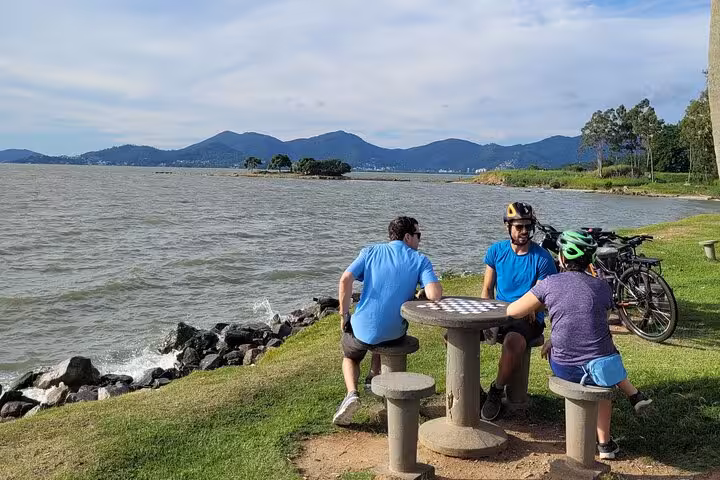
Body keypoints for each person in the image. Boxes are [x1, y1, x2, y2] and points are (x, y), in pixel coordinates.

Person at [507, 230, 652, 459]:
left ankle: (625, 404)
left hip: (564, 365)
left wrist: (543, 312)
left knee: (600, 371)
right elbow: (593, 324)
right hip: (602, 368)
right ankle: (605, 444)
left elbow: (512, 311)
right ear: (590, 259)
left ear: (562, 257)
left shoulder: (549, 284)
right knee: (604, 376)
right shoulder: (602, 287)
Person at [332, 216, 442, 426]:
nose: (420, 240)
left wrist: (344, 315)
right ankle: (373, 376)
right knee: (382, 338)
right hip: (394, 332)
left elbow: (345, 279)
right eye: (418, 235)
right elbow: (434, 294)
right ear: (408, 237)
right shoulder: (420, 260)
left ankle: (352, 393)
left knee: (350, 356)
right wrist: (421, 293)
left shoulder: (370, 251)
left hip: (362, 329)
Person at [480, 202, 557, 421]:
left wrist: (530, 308)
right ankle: (472, 391)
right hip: (499, 313)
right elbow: (487, 289)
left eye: (528, 227)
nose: (524, 232)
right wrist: (485, 317)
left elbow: (542, 298)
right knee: (455, 335)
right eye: (519, 227)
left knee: (514, 342)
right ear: (508, 227)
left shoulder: (542, 258)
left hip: (529, 316)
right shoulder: (495, 251)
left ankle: (496, 390)